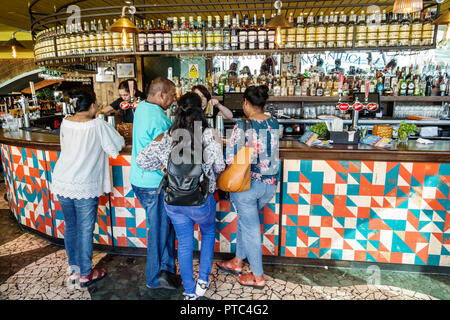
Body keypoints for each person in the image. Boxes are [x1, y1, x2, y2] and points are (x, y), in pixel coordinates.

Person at [136, 92, 225, 300]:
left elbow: (142, 160)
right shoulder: (207, 134)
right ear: (200, 110)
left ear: (177, 111)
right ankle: (203, 279)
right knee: (209, 233)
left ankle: (189, 290)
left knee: (184, 242)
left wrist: (165, 169)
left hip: (173, 200)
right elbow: (219, 166)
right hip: (201, 199)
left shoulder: (168, 135)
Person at [51, 88, 125, 287]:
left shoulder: (66, 122)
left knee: (71, 227)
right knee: (84, 229)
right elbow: (117, 145)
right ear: (92, 106)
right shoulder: (97, 125)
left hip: (62, 181)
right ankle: (85, 273)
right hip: (84, 183)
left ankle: (74, 270)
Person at [217, 85, 280, 289]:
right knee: (246, 223)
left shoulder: (242, 125)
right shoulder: (274, 122)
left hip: (247, 185)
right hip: (269, 185)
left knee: (251, 229)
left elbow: (230, 158)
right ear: (264, 104)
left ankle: (257, 276)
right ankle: (237, 261)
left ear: (245, 102)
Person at [129, 77, 180, 290]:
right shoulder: (158, 118)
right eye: (173, 94)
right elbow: (168, 151)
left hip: (139, 180)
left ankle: (166, 272)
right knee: (159, 230)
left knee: (163, 228)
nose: (174, 98)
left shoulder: (141, 107)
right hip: (154, 184)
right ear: (162, 94)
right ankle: (154, 277)